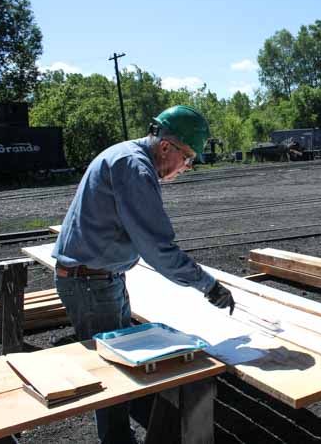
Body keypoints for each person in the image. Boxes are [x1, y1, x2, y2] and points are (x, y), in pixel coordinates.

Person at [52, 105, 235, 444]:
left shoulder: (123, 154)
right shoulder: (135, 167)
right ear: (167, 146)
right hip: (91, 282)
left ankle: (119, 434)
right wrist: (208, 285)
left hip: (98, 278)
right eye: (188, 158)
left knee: (117, 365)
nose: (186, 167)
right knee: (111, 372)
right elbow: (158, 248)